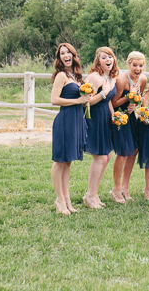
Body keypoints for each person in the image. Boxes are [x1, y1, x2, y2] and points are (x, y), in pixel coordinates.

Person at [50, 43, 90, 215]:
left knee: (68, 162)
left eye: (68, 53)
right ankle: (59, 200)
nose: (65, 56)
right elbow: (54, 100)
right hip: (65, 120)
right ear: (59, 58)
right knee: (60, 161)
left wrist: (86, 100)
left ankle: (67, 200)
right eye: (62, 54)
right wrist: (77, 101)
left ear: (74, 56)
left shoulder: (76, 77)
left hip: (76, 121)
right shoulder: (61, 75)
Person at [82, 47, 118, 210]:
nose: (107, 60)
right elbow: (85, 102)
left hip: (105, 118)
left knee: (107, 156)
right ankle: (89, 196)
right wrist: (102, 93)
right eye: (103, 57)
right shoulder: (95, 78)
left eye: (110, 56)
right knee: (100, 158)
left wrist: (113, 115)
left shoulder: (111, 77)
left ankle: (94, 194)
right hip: (94, 118)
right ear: (98, 61)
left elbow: (109, 100)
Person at [111, 51, 147, 203]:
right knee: (123, 152)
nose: (137, 69)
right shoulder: (121, 80)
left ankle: (125, 187)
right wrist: (128, 97)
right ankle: (116, 188)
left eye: (140, 65)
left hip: (133, 117)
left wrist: (137, 104)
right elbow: (113, 102)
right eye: (134, 65)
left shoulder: (143, 79)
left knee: (134, 150)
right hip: (121, 117)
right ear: (128, 64)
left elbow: (141, 98)